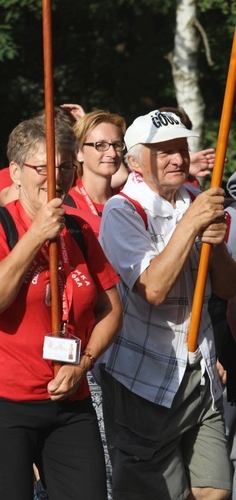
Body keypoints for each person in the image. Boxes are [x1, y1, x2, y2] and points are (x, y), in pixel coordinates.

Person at [0, 116, 122, 499]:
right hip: (2, 396)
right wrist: (35, 235)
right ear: (16, 172)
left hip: (70, 396)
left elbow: (112, 309)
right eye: (44, 167)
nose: (58, 176)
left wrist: (83, 362)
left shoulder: (80, 230)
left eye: (67, 166)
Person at [97, 109, 236, 499]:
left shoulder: (196, 199)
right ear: (136, 162)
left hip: (200, 368)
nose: (178, 158)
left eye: (181, 149)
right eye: (164, 152)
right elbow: (152, 290)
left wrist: (217, 245)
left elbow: (227, 288)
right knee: (157, 494)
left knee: (215, 489)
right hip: (144, 375)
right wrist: (191, 224)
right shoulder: (122, 211)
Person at [65, 110, 127, 235]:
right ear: (78, 153)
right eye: (100, 145)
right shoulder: (67, 206)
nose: (112, 153)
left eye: (116, 145)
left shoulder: (129, 201)